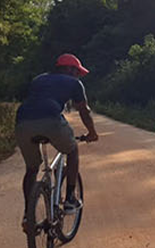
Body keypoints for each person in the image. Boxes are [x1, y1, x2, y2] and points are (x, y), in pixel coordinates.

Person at [14, 53, 99, 228]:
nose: (78, 75)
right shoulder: (74, 83)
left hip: (22, 122)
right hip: (51, 119)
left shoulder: (38, 79)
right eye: (77, 72)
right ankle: (69, 199)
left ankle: (27, 215)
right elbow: (84, 111)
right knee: (72, 150)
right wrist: (92, 132)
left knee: (31, 169)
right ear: (69, 69)